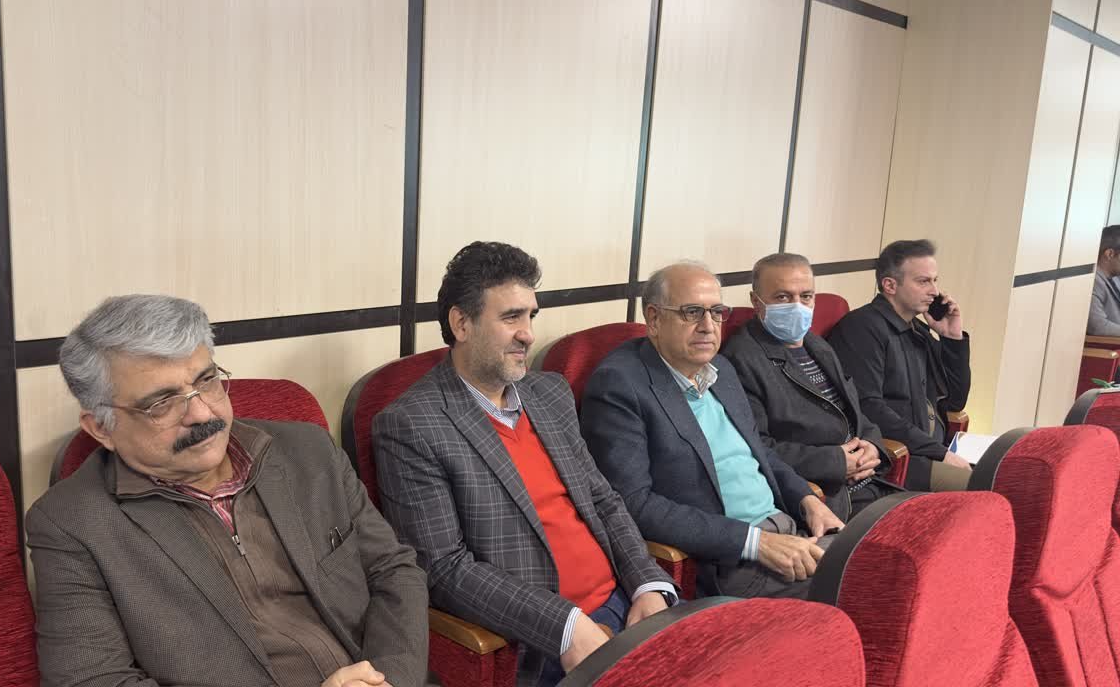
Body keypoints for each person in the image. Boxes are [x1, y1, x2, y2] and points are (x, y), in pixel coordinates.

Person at [27, 294, 429, 687]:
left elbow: (392, 571)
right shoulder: (72, 523)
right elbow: (92, 678)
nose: (202, 412)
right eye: (161, 403)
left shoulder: (309, 451)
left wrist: (389, 678)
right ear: (101, 428)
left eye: (207, 381)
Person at [373, 242, 674, 687]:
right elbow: (443, 569)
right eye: (511, 317)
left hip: (625, 605)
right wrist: (566, 627)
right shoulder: (411, 424)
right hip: (540, 639)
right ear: (461, 323)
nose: (529, 334)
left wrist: (647, 583)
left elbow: (603, 500)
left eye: (531, 316)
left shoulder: (549, 393)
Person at [580, 261, 845, 600]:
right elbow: (633, 503)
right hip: (730, 562)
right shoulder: (619, 385)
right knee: (860, 594)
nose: (708, 326)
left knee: (881, 566)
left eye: (716, 312)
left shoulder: (720, 368)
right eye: (692, 312)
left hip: (790, 532)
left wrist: (806, 500)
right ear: (654, 319)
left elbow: (758, 451)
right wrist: (756, 543)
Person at [720, 253, 898, 520]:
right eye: (783, 297)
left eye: (806, 296)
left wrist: (873, 446)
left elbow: (855, 412)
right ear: (756, 302)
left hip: (873, 483)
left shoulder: (817, 345)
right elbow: (756, 447)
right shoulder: (741, 360)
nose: (797, 306)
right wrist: (836, 463)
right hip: (829, 499)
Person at [827, 239, 972, 491]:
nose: (935, 292)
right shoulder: (862, 328)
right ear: (890, 285)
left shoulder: (917, 329)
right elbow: (869, 408)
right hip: (901, 458)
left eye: (935, 280)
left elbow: (955, 401)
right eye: (923, 281)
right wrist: (939, 453)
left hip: (934, 450)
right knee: (985, 487)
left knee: (1011, 470)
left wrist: (952, 338)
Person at [1088, 225, 1120, 337]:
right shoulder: (1092, 282)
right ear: (1110, 254)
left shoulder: (1115, 278)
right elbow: (1098, 326)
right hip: (1107, 345)